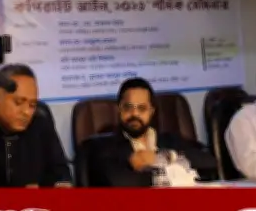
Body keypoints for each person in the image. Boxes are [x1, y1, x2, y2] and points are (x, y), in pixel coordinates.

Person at [85, 78, 218, 187]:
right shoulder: (103, 147)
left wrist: (165, 157)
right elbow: (119, 182)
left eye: (142, 108)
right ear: (119, 109)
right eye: (128, 107)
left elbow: (209, 162)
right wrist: (171, 172)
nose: (134, 114)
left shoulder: (169, 140)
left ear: (151, 111)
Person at [0, 64, 72, 187]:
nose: (27, 112)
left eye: (32, 105)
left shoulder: (40, 122)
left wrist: (59, 185)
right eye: (18, 102)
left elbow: (61, 172)